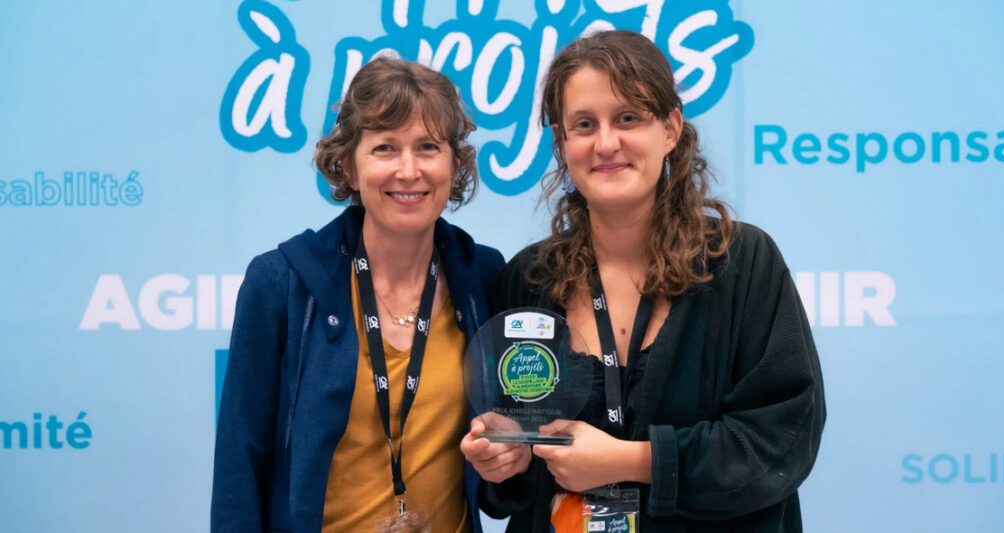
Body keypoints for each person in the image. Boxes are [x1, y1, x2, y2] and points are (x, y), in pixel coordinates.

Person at [462, 30, 825, 531]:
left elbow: (781, 440)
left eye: (628, 117)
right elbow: (510, 486)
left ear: (671, 128)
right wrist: (504, 462)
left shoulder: (741, 262)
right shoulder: (528, 280)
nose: (607, 142)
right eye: (584, 124)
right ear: (561, 143)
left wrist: (632, 460)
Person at [212, 57, 504, 533]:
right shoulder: (282, 283)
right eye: (385, 148)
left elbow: (504, 468)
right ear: (348, 164)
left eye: (428, 147)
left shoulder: (483, 276)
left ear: (455, 163)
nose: (408, 171)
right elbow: (237, 468)